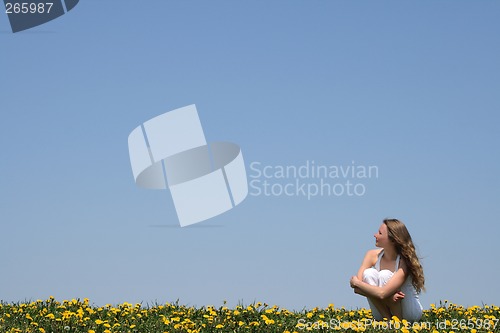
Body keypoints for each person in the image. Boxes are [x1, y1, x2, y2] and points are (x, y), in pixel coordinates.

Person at [349, 218, 424, 321]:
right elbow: (357, 289)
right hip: (383, 312)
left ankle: (396, 324)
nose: (375, 235)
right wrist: (388, 296)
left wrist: (357, 282)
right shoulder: (371, 255)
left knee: (384, 275)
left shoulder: (404, 261)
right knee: (369, 273)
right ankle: (388, 320)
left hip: (408, 313)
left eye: (380, 233)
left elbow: (381, 293)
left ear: (393, 240)